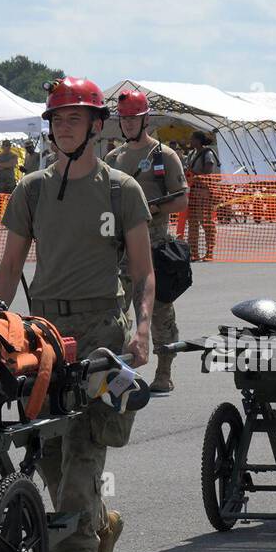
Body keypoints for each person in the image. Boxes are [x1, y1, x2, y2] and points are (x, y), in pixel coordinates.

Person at [0, 76, 153, 552]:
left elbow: (142, 269)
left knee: (85, 448)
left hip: (103, 334)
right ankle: (100, 526)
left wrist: (144, 325)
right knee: (49, 452)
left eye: (74, 119)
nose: (64, 128)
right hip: (44, 337)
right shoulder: (32, 189)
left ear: (96, 126)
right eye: (57, 119)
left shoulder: (120, 191)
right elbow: (11, 265)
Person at [105, 88, 190, 393]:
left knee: (160, 312)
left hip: (155, 246)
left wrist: (152, 208)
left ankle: (164, 372)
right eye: (124, 119)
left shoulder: (164, 156)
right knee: (116, 312)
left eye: (134, 119)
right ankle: (121, 372)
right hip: (120, 248)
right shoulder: (113, 158)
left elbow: (181, 201)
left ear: (146, 120)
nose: (128, 124)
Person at [184, 130, 220, 261]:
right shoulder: (192, 153)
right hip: (192, 192)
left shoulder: (207, 153)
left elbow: (208, 171)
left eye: (192, 139)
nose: (190, 141)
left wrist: (194, 173)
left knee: (206, 222)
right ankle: (194, 253)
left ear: (198, 140)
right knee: (192, 223)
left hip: (204, 191)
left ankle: (209, 252)